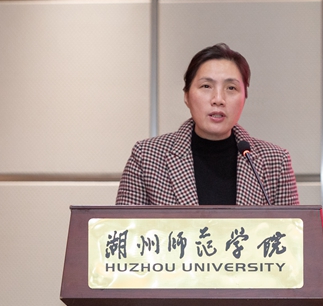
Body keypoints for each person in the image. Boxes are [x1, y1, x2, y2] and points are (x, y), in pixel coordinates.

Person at [116, 43, 299, 206]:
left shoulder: (275, 162)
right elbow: (124, 229)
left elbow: (295, 231)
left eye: (231, 88)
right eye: (206, 86)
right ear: (187, 96)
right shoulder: (146, 157)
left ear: (244, 97)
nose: (218, 99)